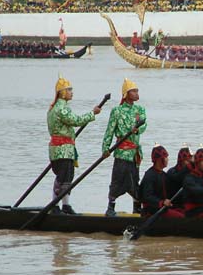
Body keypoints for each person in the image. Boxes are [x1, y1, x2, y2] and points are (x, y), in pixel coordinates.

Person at [47, 76, 102, 214]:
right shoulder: (61, 109)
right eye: (69, 90)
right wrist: (92, 113)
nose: (72, 92)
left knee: (67, 177)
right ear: (62, 92)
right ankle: (55, 206)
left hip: (61, 149)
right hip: (63, 149)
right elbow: (76, 121)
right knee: (62, 178)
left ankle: (65, 205)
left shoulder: (53, 108)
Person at [102, 78, 147, 216]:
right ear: (126, 94)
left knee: (135, 180)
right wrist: (105, 148)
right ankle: (110, 207)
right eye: (133, 91)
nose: (136, 93)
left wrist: (137, 129)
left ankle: (136, 207)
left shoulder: (140, 109)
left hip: (134, 153)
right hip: (121, 152)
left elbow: (144, 124)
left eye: (137, 91)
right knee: (117, 179)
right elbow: (109, 130)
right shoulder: (117, 111)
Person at [138, 145, 184, 218]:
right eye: (165, 157)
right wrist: (161, 202)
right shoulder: (149, 175)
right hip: (152, 210)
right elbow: (147, 196)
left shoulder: (164, 175)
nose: (167, 160)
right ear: (159, 160)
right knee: (180, 217)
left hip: (163, 207)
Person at [166, 145, 193, 213]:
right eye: (187, 160)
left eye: (190, 160)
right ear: (181, 160)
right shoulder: (172, 172)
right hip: (174, 205)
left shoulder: (191, 172)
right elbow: (178, 178)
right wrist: (189, 166)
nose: (188, 163)